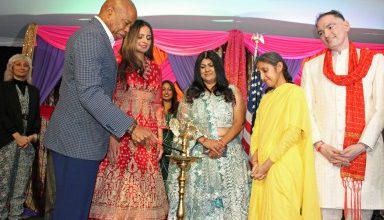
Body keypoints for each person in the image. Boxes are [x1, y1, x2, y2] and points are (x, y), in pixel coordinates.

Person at [43, 1, 157, 219]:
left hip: (81, 141)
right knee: (71, 212)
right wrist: (131, 127)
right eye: (126, 23)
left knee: (74, 209)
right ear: (109, 11)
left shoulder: (99, 39)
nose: (127, 29)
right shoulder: (91, 38)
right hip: (77, 142)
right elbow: (90, 93)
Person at [301, 10, 384, 220]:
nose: (326, 34)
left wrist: (362, 145)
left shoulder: (375, 61)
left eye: (331, 27)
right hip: (324, 158)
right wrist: (320, 145)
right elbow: (306, 111)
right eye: (320, 32)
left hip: (364, 155)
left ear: (346, 25)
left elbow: (381, 107)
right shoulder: (312, 67)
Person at [89, 19, 168, 219]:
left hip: (147, 135)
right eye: (140, 36)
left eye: (148, 37)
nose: (145, 41)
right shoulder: (118, 65)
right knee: (119, 188)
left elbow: (158, 106)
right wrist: (112, 137)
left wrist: (160, 139)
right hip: (122, 132)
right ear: (131, 37)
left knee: (144, 191)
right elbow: (108, 102)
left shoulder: (156, 69)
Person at [167, 50, 250, 219]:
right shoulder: (191, 94)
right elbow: (184, 123)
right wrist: (206, 141)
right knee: (202, 204)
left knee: (230, 201)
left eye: (210, 65)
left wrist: (220, 143)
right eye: (202, 67)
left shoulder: (232, 91)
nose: (206, 70)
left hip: (229, 154)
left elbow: (239, 122)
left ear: (217, 67)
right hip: (201, 155)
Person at [248, 52, 320, 220]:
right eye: (259, 73)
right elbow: (257, 131)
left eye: (265, 70)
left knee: (283, 211)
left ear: (279, 67)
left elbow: (294, 131)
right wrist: (256, 161)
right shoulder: (266, 98)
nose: (262, 77)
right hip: (263, 167)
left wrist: (267, 164)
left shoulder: (295, 93)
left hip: (283, 163)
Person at [0, 54, 41, 219]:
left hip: (27, 143)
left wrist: (31, 137)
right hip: (8, 141)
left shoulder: (34, 91)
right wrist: (17, 136)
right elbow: (2, 115)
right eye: (18, 64)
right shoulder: (3, 88)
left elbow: (36, 117)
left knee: (21, 182)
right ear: (11, 67)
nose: (22, 68)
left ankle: (15, 214)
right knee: (3, 182)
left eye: (26, 65)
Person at [160, 80, 179, 182]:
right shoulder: (155, 109)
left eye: (169, 89)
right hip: (158, 149)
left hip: (173, 150)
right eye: (163, 89)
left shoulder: (178, 110)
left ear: (173, 92)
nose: (166, 92)